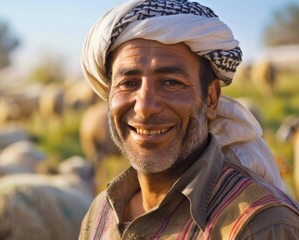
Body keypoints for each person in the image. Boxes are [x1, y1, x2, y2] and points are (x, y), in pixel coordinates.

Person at [79, 0, 299, 239]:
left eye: (172, 83)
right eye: (128, 83)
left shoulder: (260, 226)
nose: (144, 108)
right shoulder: (100, 213)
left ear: (211, 99)